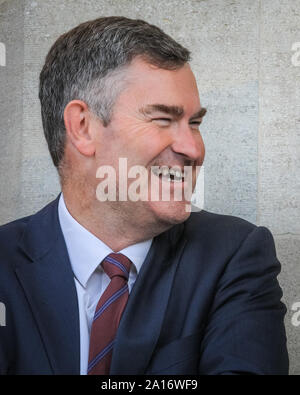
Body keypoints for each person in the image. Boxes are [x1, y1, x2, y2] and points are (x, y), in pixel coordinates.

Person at [0, 16, 288, 375]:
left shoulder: (234, 255)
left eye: (194, 123)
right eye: (163, 119)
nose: (193, 148)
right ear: (83, 128)